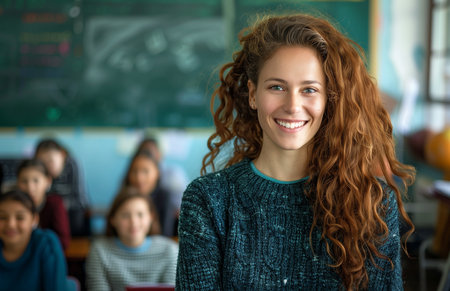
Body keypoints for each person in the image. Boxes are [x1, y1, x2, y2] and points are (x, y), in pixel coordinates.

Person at [176, 13, 416, 290]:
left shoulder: (372, 204)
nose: (292, 105)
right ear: (253, 95)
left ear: (329, 99)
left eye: (309, 89)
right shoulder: (209, 201)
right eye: (277, 87)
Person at [85, 187, 178, 291]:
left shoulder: (170, 250)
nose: (133, 222)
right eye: (125, 215)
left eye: (140, 214)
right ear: (112, 219)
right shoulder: (99, 251)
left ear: (151, 218)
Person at [0, 189, 74, 291]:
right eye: (2, 217)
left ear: (34, 219)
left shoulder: (47, 244)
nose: (10, 225)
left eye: (20, 217)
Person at [34, 138, 90, 236]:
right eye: (43, 162)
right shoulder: (40, 171)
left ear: (62, 155)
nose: (47, 166)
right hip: (49, 210)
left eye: (50, 161)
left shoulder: (72, 164)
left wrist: (58, 205)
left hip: (69, 212)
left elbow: (81, 200)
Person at [16, 159, 71, 250]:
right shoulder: (13, 206)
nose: (30, 187)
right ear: (18, 183)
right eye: (24, 181)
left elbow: (63, 241)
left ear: (48, 181)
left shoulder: (55, 204)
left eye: (36, 181)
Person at [123, 149, 177, 237]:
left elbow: (166, 235)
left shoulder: (165, 197)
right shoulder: (123, 197)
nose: (139, 178)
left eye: (145, 171)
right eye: (134, 171)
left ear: (157, 173)